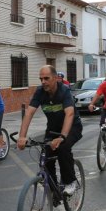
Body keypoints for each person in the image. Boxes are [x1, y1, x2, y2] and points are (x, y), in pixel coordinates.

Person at [18, 65, 82, 196]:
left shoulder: (64, 91)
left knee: (63, 148)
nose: (43, 82)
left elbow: (69, 114)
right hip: (53, 129)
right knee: (46, 157)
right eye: (41, 79)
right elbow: (29, 113)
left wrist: (62, 137)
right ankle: (54, 191)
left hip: (72, 127)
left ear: (55, 78)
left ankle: (71, 182)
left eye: (46, 78)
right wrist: (22, 136)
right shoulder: (40, 92)